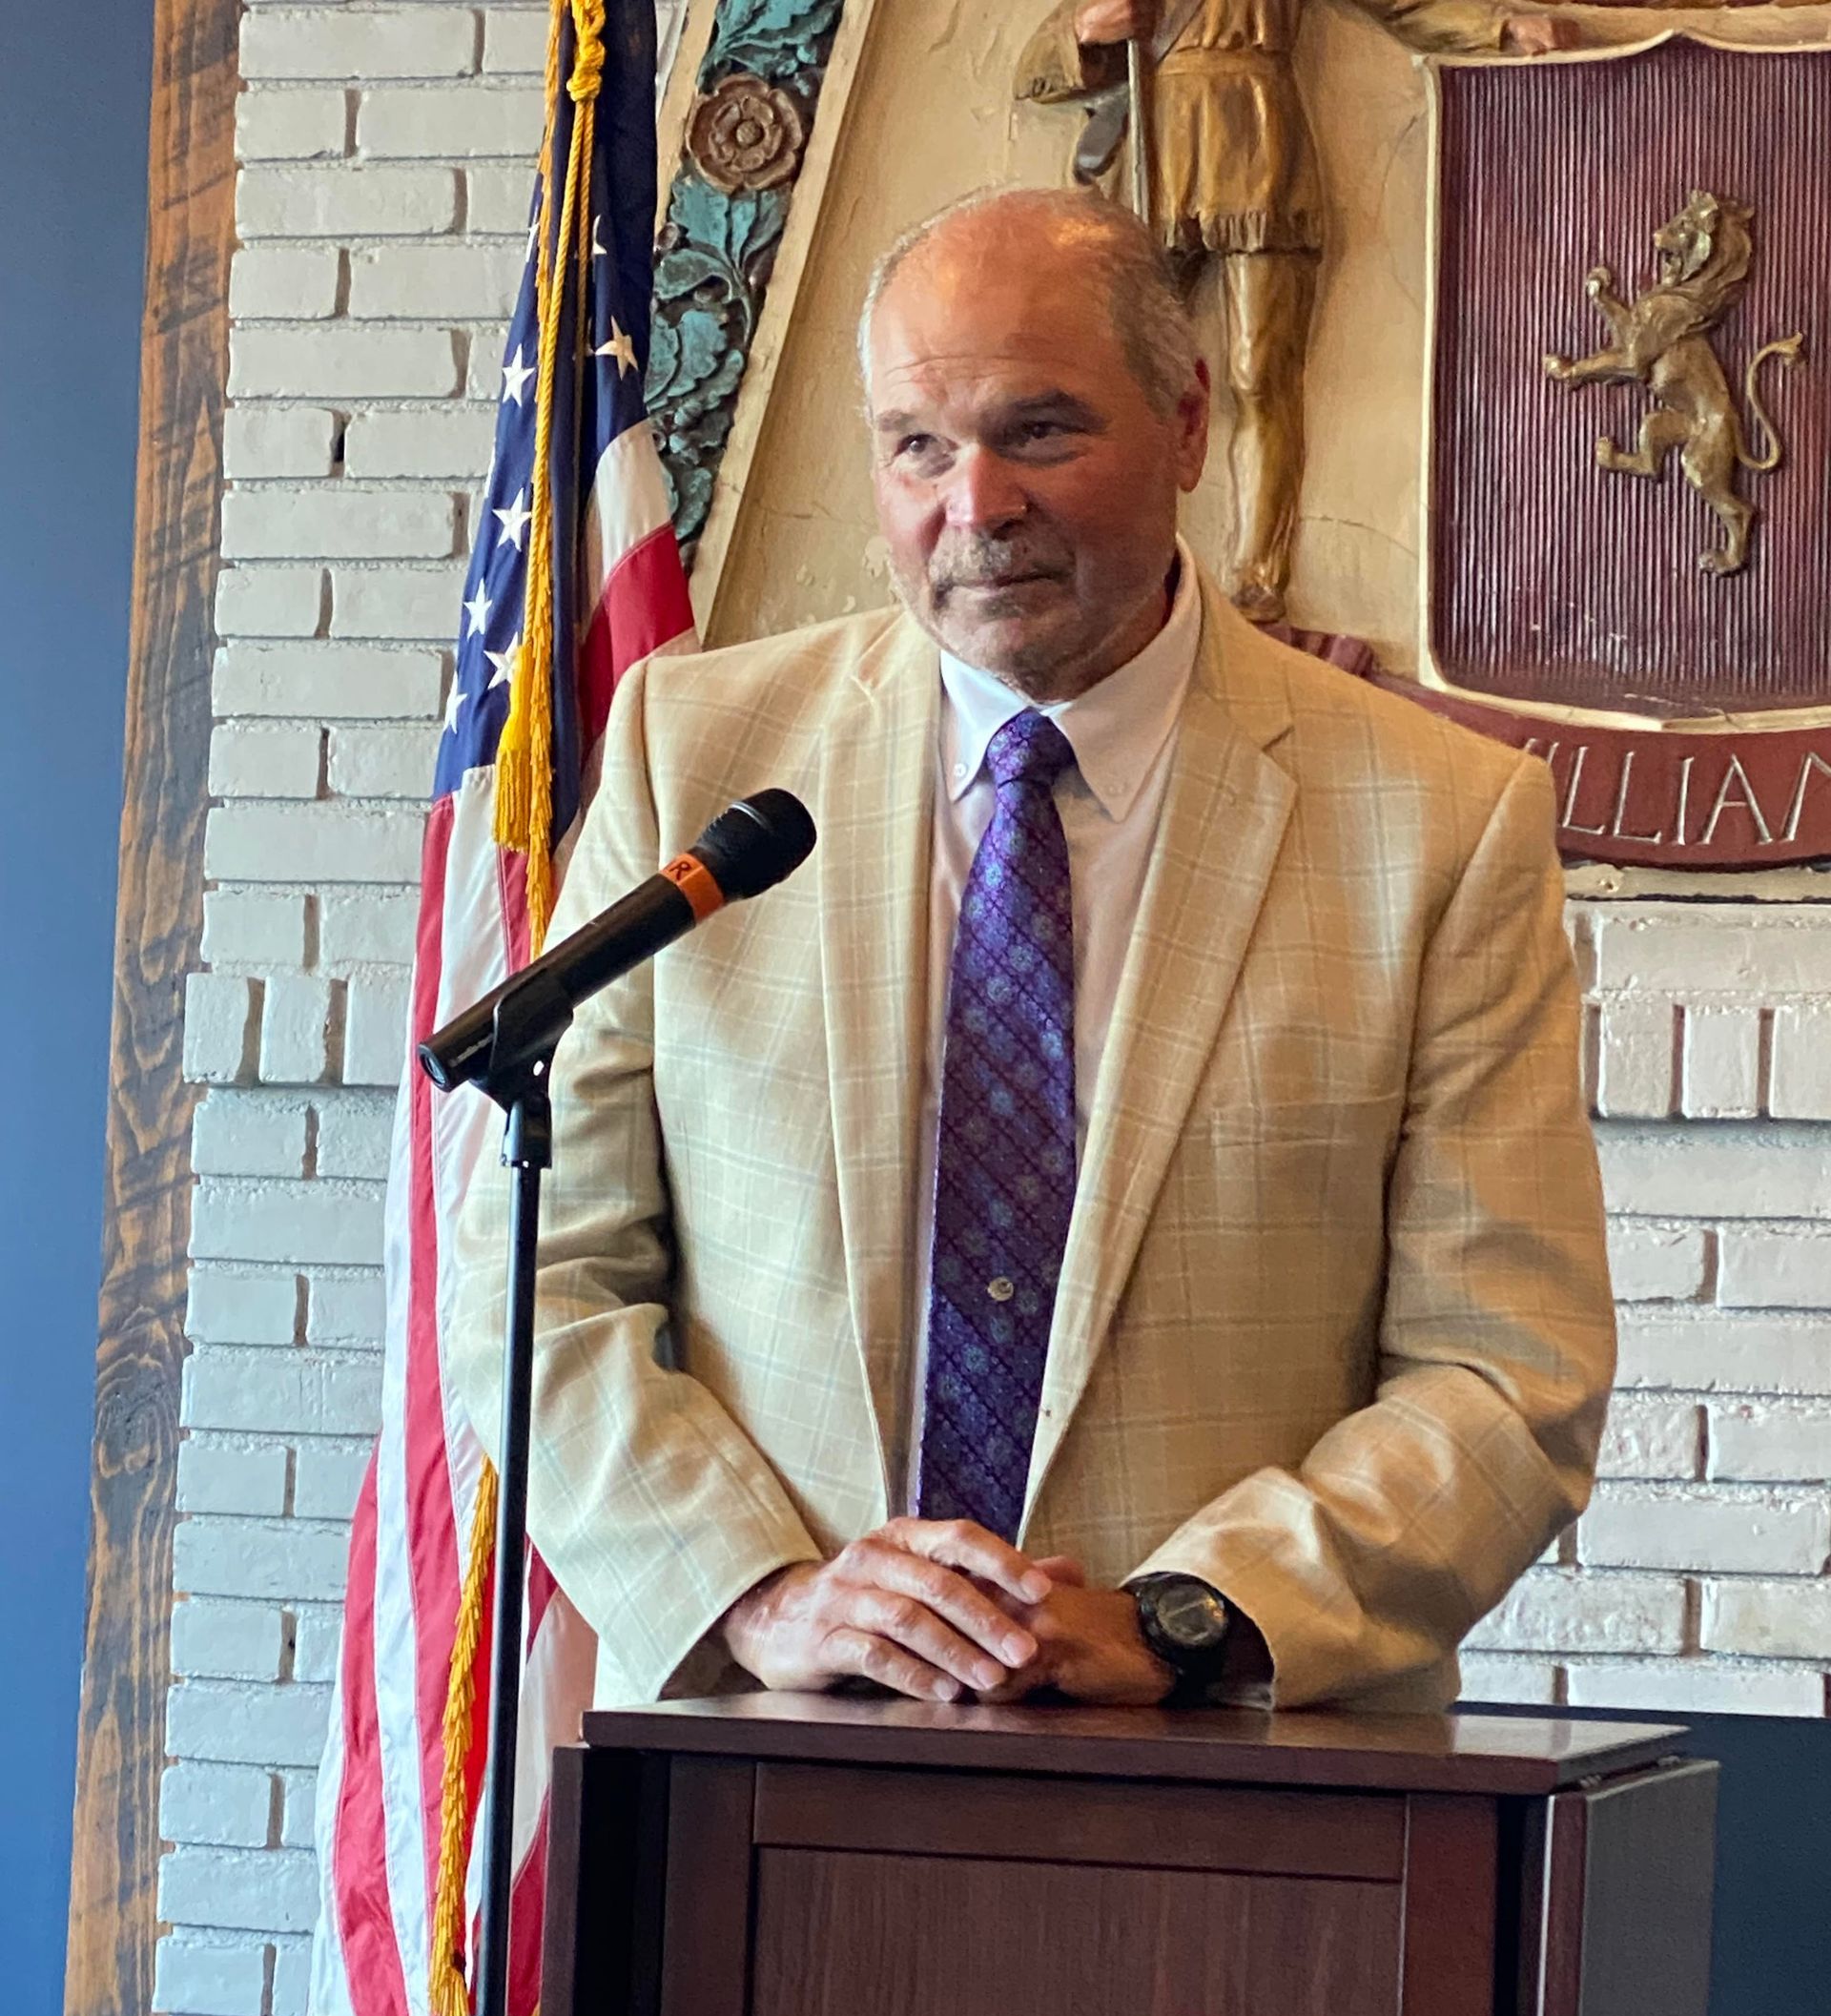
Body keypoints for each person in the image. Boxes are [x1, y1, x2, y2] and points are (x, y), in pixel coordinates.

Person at [450, 186, 1614, 1717]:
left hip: (1232, 1774)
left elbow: (1504, 1369)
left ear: (1187, 425)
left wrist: (1185, 1627)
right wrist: (761, 1594)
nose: (976, 504)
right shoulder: (700, 757)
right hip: (770, 1764)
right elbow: (541, 1274)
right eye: (918, 447)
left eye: (1041, 431)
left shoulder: (1442, 822)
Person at [1015, 0, 1572, 622]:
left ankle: (1258, 579)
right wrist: (1087, 31)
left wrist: (1499, 26)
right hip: (1162, 147)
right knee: (1125, 377)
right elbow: (1036, 68)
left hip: (1261, 149)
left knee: (1260, 374)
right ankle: (1124, 562)